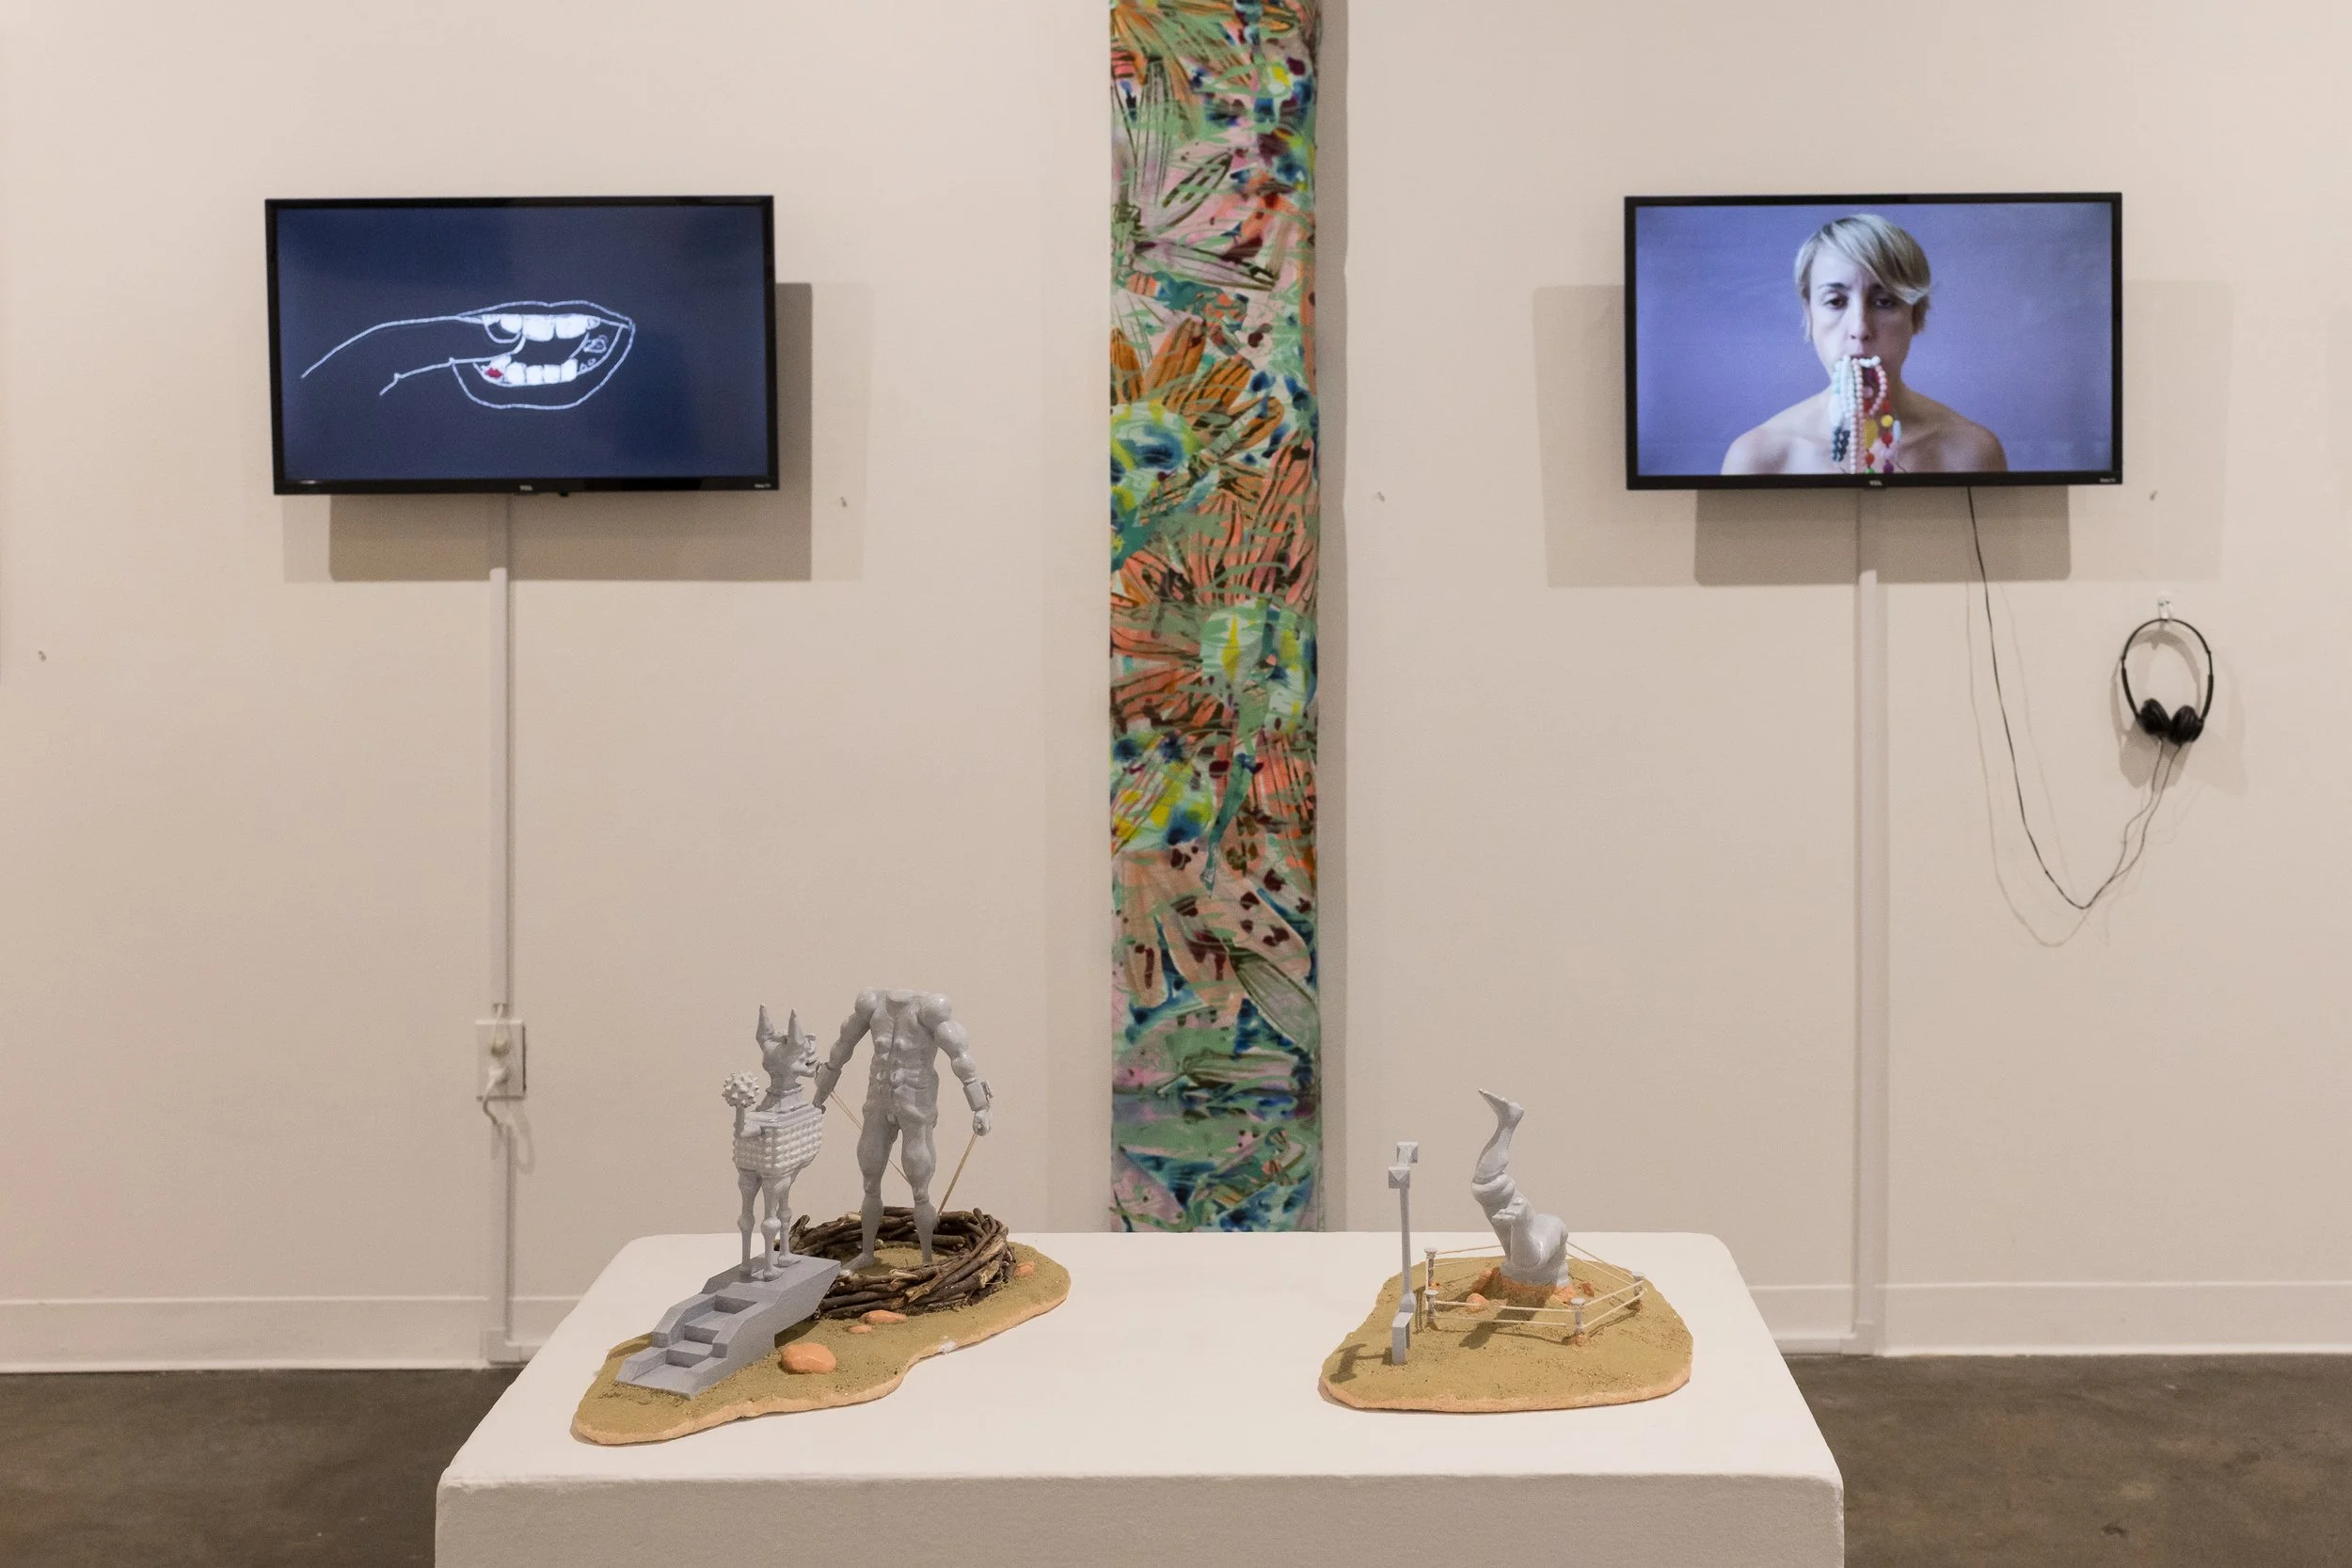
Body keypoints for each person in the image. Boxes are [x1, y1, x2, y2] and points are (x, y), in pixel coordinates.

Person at [1722, 214, 2007, 476]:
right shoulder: (1757, 458)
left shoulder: (1972, 454)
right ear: (1809, 315)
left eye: (1884, 302)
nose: (1860, 329)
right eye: (1836, 302)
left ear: (1917, 315)